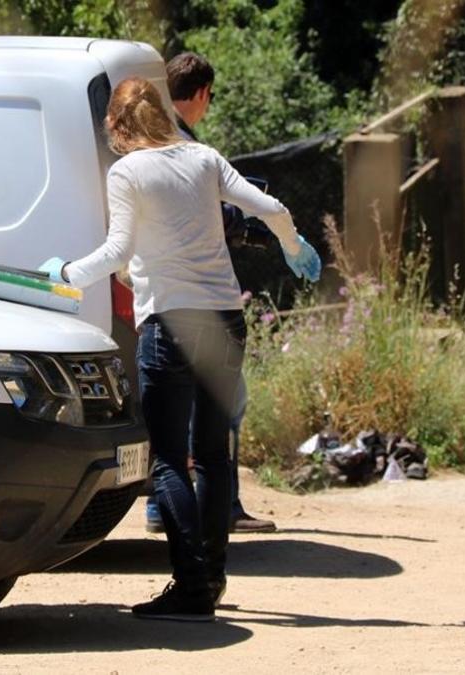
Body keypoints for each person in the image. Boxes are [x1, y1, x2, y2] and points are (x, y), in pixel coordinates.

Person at [38, 78, 320, 621]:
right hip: (224, 321)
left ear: (119, 127)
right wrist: (292, 246)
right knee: (213, 456)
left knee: (169, 460)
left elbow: (118, 249)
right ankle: (211, 578)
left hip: (170, 324)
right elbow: (272, 206)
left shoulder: (128, 172)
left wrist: (68, 274)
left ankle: (191, 587)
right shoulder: (205, 158)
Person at [140, 51, 276, 535]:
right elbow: (222, 212)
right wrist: (267, 230)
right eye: (210, 96)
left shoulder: (149, 141)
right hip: (202, 304)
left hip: (161, 305)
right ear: (200, 94)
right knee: (217, 419)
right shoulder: (187, 147)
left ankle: (181, 520)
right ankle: (207, 528)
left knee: (173, 436)